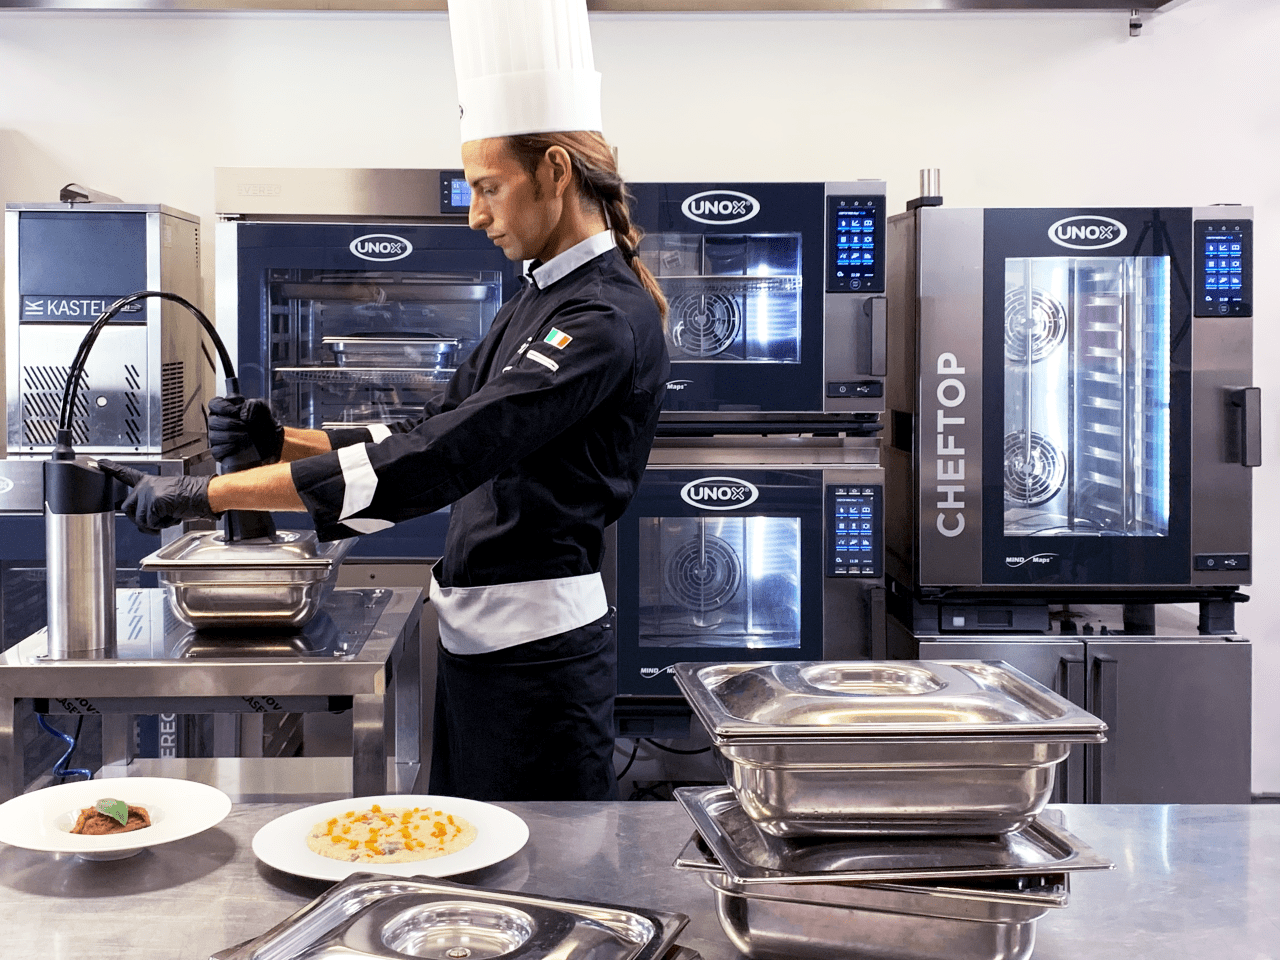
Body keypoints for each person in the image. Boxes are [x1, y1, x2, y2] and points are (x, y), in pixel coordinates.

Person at [100, 0, 670, 802]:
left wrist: (207, 493)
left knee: (540, 877)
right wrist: (286, 440)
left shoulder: (602, 316)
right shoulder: (536, 299)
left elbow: (451, 454)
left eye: (488, 188)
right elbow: (428, 426)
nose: (475, 216)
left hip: (541, 661)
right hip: (482, 641)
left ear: (555, 172)